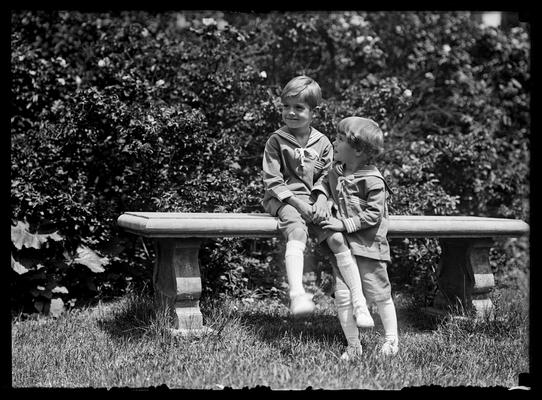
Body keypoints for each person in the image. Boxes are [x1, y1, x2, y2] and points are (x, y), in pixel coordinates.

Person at [262, 76, 374, 325]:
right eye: (286, 107)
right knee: (297, 232)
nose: (291, 113)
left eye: (299, 107)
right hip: (285, 201)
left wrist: (322, 199)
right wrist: (299, 205)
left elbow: (328, 174)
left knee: (336, 236)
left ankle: (359, 302)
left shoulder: (322, 142)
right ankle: (297, 294)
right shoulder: (276, 141)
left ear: (314, 112)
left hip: (315, 201)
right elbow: (272, 180)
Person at [314, 116, 399, 359]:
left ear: (358, 150)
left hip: (368, 246)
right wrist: (321, 196)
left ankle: (391, 341)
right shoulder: (337, 171)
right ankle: (353, 345)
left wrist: (343, 223)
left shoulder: (373, 180)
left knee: (380, 293)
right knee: (342, 295)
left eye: (340, 139)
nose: (334, 142)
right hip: (344, 252)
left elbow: (373, 214)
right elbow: (323, 182)